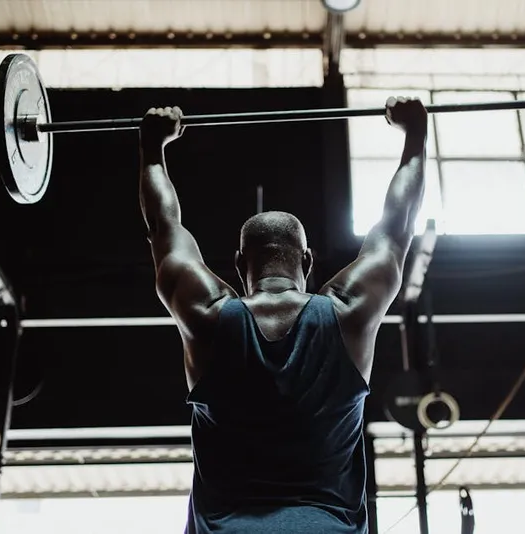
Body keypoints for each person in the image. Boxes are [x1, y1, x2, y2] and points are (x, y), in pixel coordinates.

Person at [139, 97, 428, 534]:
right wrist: (415, 134)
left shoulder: (206, 314)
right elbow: (397, 228)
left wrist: (152, 148)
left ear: (239, 264)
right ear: (307, 261)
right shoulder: (349, 313)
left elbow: (162, 227)